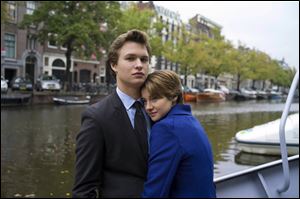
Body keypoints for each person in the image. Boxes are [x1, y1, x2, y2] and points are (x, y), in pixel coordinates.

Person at [72, 29, 151, 198]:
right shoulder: (96, 118)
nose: (139, 64)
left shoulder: (158, 110)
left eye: (144, 59)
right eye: (130, 58)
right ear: (113, 65)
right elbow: (84, 189)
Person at [141, 70, 216, 198]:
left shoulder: (166, 128)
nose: (148, 107)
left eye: (155, 99)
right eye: (144, 101)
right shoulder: (191, 121)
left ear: (174, 96)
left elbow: (156, 190)